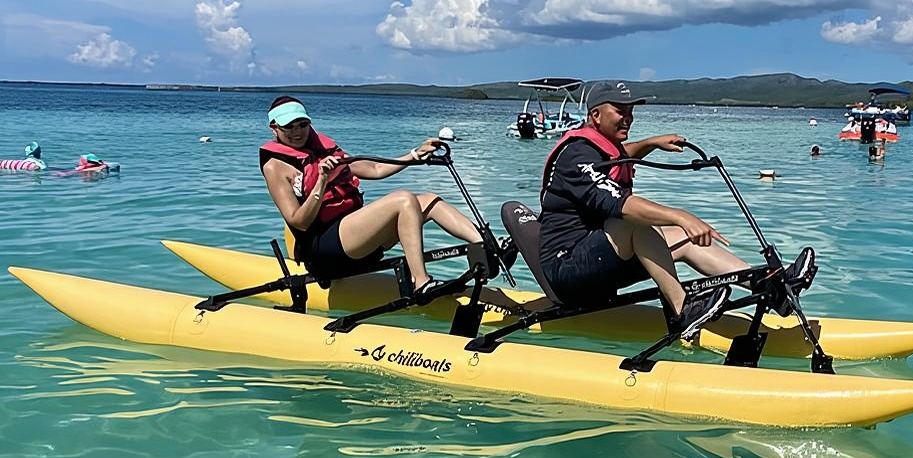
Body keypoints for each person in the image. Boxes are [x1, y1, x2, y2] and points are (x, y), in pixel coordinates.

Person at [538, 81, 813, 339]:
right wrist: (682, 216)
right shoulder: (575, 155)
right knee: (635, 222)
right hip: (567, 270)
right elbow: (620, 204)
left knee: (681, 239)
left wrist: (651, 143)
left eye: (631, 112)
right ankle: (683, 311)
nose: (628, 118)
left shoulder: (599, 148)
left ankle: (770, 287)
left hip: (598, 263)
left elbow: (619, 156)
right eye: (620, 111)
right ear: (595, 115)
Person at [259, 96, 483, 289]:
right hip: (323, 251)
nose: (297, 132)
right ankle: (421, 282)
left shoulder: (322, 150)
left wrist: (416, 154)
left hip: (355, 239)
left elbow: (375, 169)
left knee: (429, 201)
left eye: (302, 124)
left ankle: (484, 246)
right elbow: (299, 222)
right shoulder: (275, 167)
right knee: (403, 200)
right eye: (289, 127)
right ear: (274, 128)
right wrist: (322, 181)